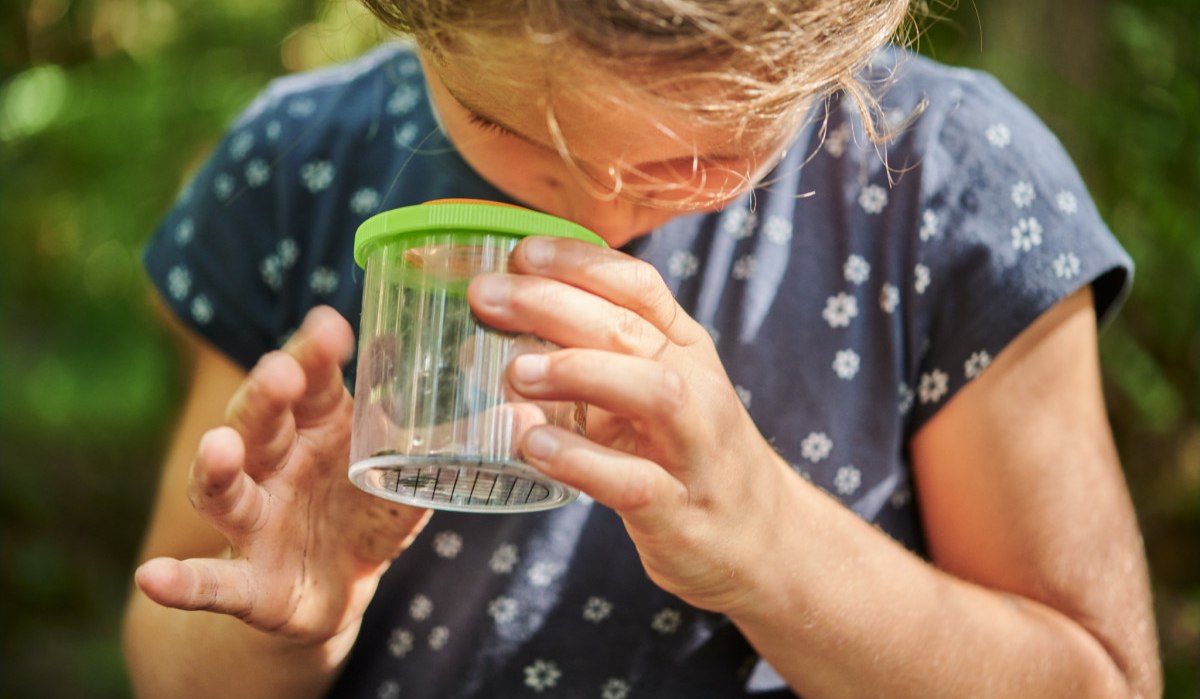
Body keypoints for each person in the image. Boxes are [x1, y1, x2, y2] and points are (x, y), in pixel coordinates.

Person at [121, 1, 1162, 697]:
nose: (597, 208)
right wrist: (298, 617)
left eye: (700, 156)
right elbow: (170, 659)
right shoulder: (299, 166)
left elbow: (1101, 681)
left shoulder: (951, 189)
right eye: (504, 124)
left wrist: (772, 544)